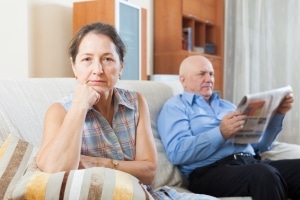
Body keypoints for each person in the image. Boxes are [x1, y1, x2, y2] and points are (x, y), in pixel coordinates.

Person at [36, 22, 217, 200]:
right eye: (87, 59)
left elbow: (149, 172)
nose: (97, 70)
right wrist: (80, 106)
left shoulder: (136, 102)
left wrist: (95, 163)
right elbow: (56, 172)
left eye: (107, 59)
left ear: (121, 66)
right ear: (74, 66)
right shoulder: (59, 111)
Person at [157, 55, 300, 199]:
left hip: (250, 162)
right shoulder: (176, 106)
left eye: (211, 74)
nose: (209, 79)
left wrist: (279, 114)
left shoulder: (227, 106)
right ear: (183, 80)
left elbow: (260, 146)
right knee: (263, 174)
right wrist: (221, 133)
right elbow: (177, 153)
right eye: (202, 74)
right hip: (209, 172)